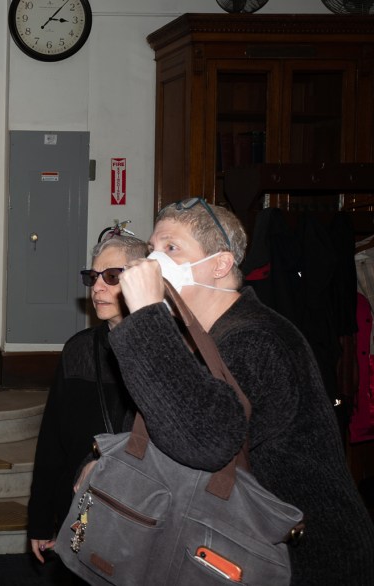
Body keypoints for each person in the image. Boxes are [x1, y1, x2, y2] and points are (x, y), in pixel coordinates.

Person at [110, 197, 374, 585]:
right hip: (252, 545)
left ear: (220, 264)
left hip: (307, 557)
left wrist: (147, 317)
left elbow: (203, 441)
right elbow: (164, 423)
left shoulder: (255, 338)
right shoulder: (201, 336)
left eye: (171, 247)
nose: (153, 261)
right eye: (152, 249)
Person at [27, 233, 146, 581]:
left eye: (112, 276)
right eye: (92, 277)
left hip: (140, 514)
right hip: (81, 509)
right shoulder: (78, 350)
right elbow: (52, 442)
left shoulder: (165, 353)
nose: (97, 287)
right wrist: (40, 518)